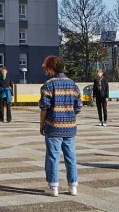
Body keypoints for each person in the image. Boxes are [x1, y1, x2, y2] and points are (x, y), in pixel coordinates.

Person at [39, 55, 81, 197]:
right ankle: (73, 186)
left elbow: (44, 107)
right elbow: (78, 107)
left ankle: (53, 186)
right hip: (70, 127)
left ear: (51, 68)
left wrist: (41, 125)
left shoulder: (49, 84)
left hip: (53, 126)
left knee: (53, 157)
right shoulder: (73, 84)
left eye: (46, 67)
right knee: (71, 157)